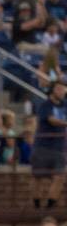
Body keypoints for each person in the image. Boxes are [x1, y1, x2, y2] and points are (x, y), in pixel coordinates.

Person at [31, 79, 67, 209]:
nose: (62, 92)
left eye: (63, 89)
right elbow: (52, 120)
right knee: (38, 177)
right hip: (43, 146)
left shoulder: (65, 104)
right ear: (52, 90)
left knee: (59, 177)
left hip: (59, 148)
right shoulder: (45, 105)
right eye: (59, 89)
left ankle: (50, 206)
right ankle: (37, 205)